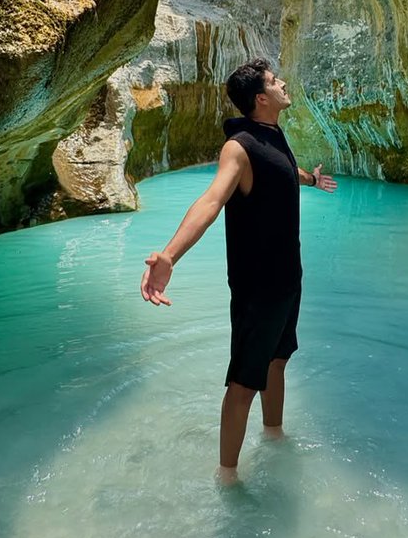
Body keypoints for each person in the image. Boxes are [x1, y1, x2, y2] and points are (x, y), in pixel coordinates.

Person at [140, 59, 336, 482]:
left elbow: (283, 171)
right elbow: (211, 201)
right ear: (262, 98)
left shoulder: (274, 135)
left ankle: (275, 435)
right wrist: (170, 255)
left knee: (278, 360)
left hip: (287, 278)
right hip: (258, 286)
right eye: (275, 80)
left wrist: (310, 181)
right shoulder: (239, 147)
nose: (284, 82)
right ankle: (226, 474)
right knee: (244, 381)